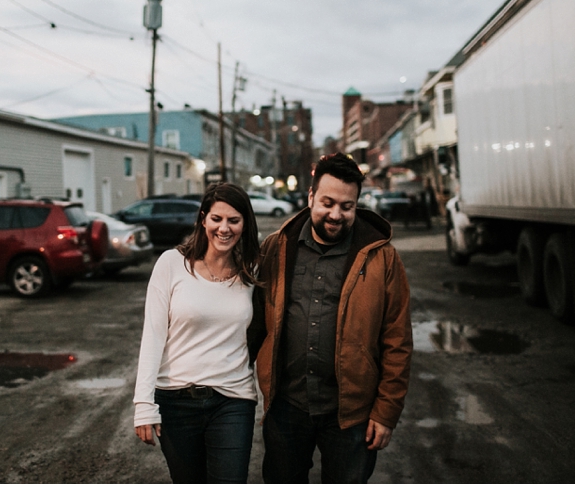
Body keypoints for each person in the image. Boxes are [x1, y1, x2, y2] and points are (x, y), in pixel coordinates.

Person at [248, 153, 413, 484]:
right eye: (327, 202)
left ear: (356, 205)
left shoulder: (383, 259)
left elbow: (398, 342)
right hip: (287, 408)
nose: (336, 214)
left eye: (347, 206)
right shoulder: (276, 248)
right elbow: (251, 325)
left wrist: (386, 413)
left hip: (351, 415)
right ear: (310, 197)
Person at [133, 182, 262, 484]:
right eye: (217, 219)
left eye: (234, 220)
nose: (224, 228)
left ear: (245, 224)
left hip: (232, 399)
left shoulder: (251, 272)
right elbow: (152, 335)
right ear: (203, 219)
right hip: (175, 401)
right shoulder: (171, 264)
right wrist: (143, 405)